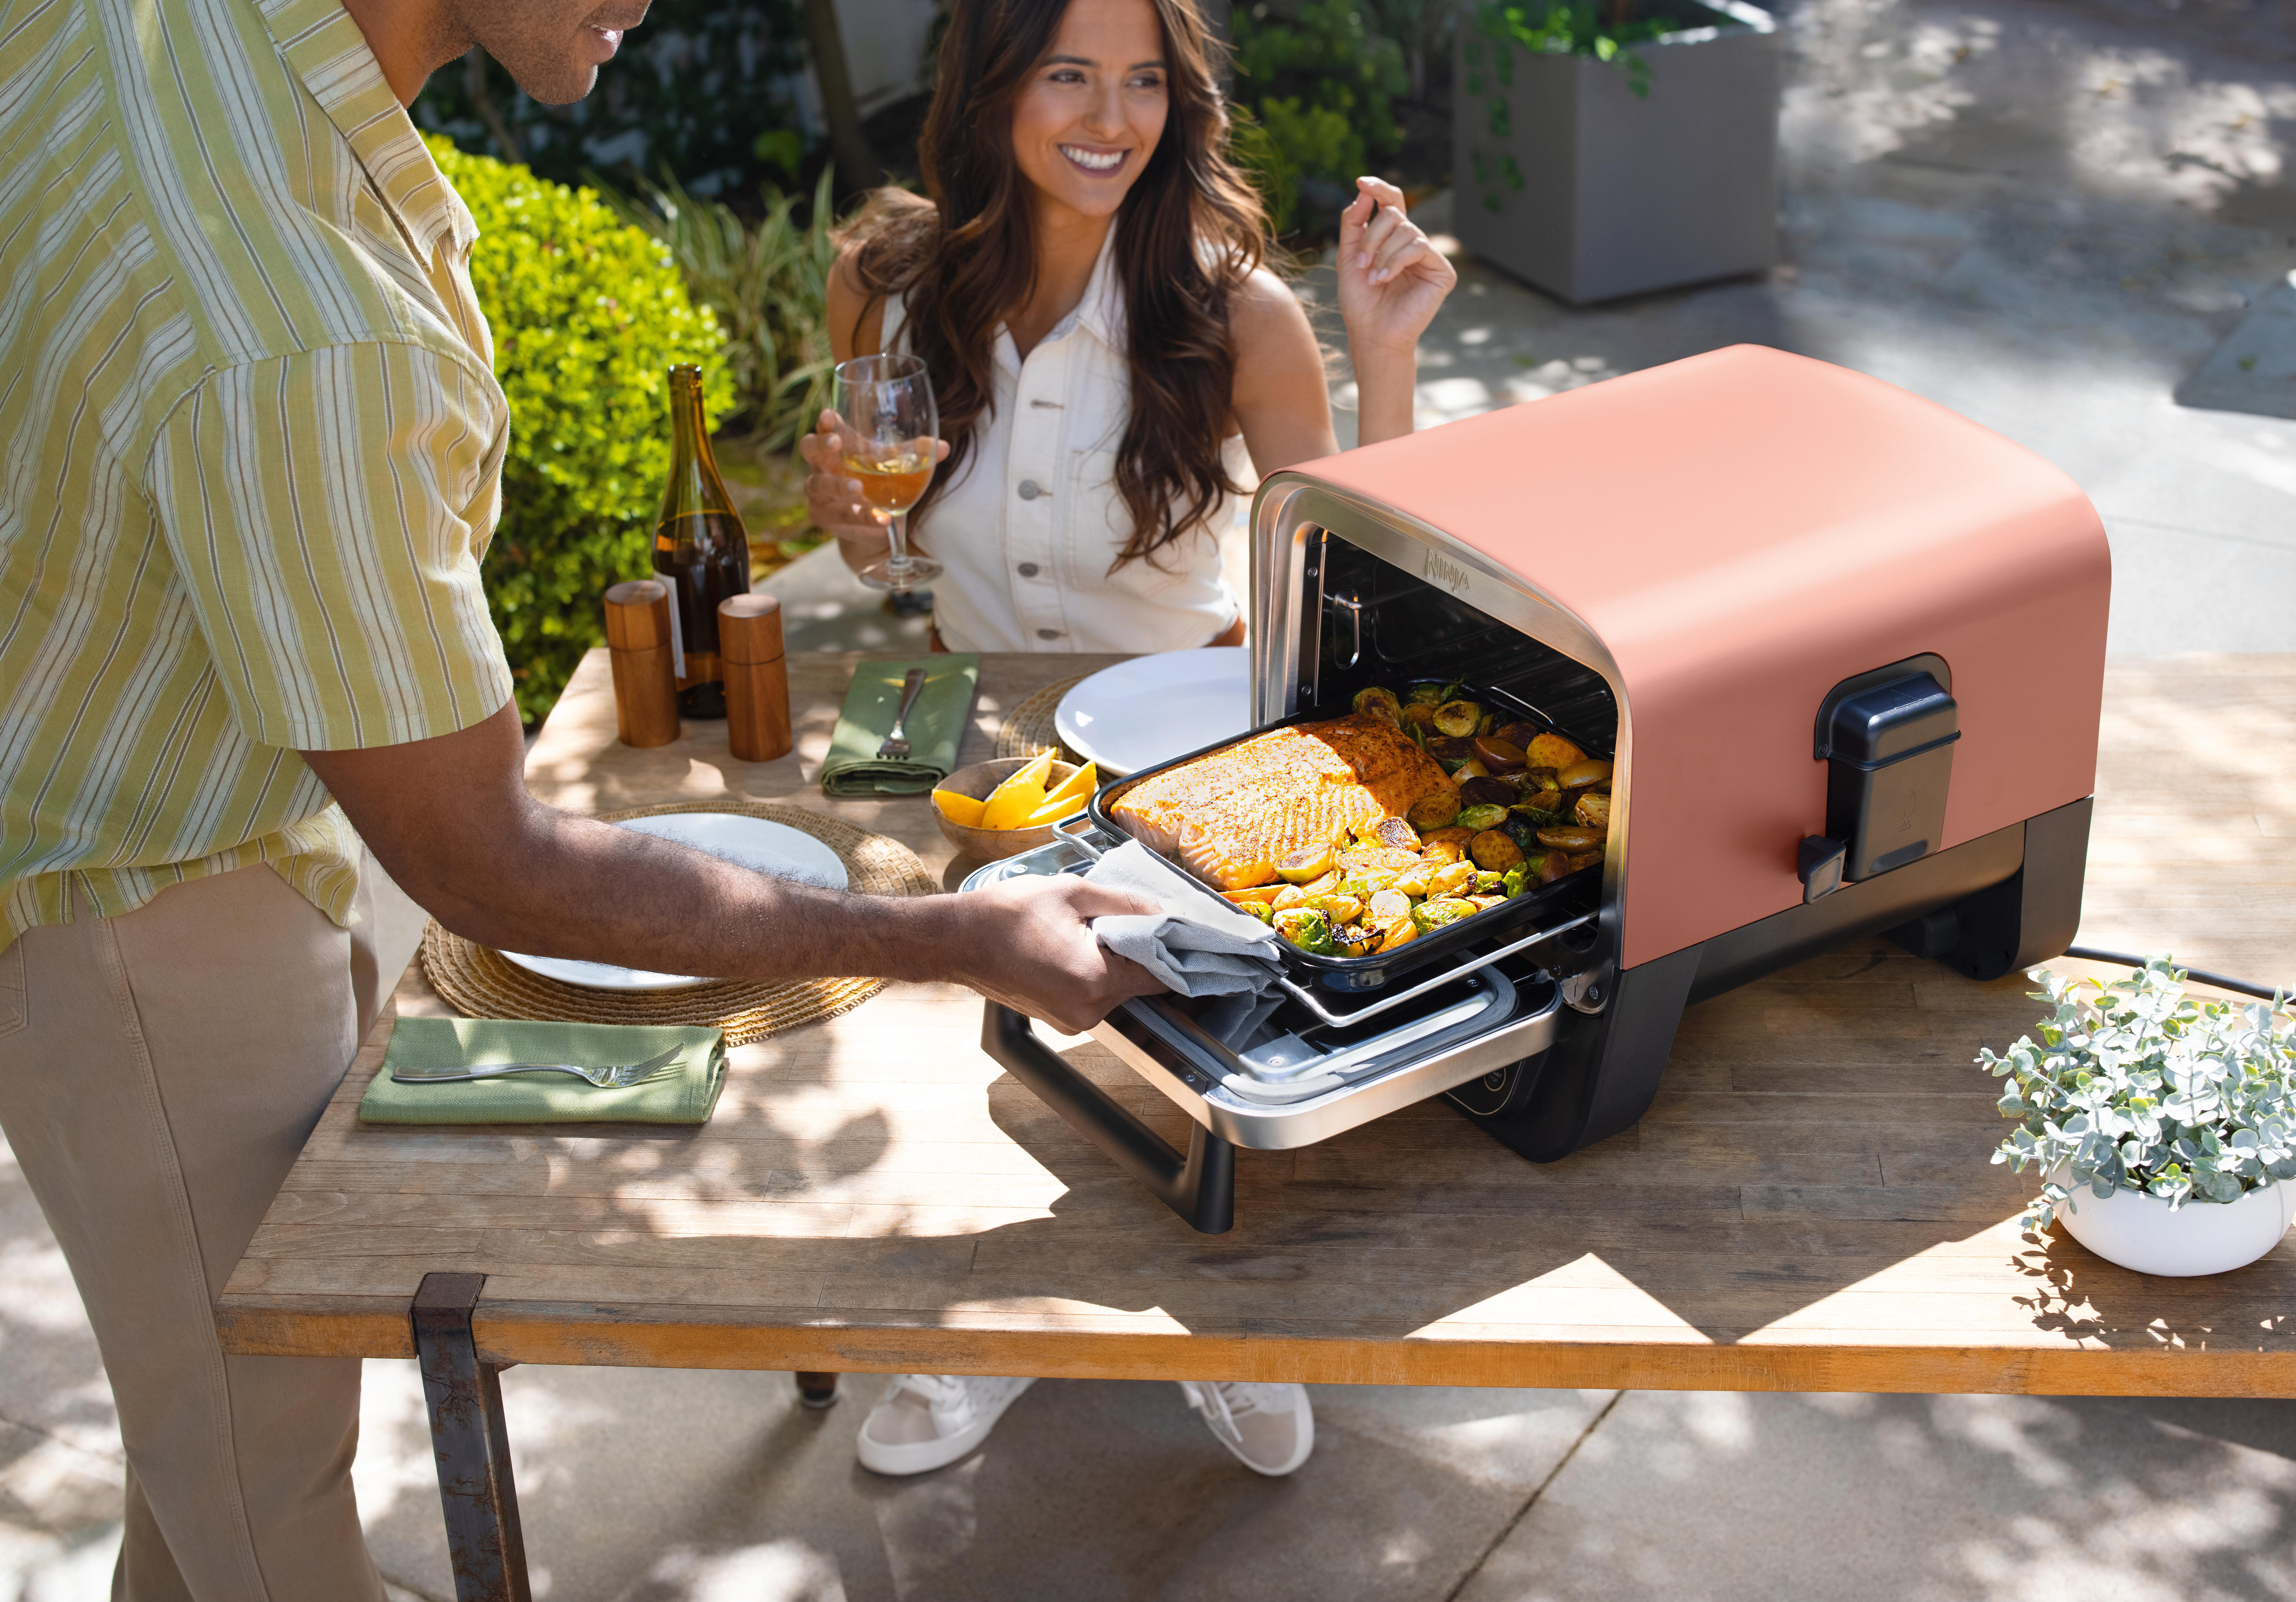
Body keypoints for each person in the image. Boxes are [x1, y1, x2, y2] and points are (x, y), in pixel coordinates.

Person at [0, 0, 1167, 1592]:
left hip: (173, 807)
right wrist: (952, 938)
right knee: (266, 1489)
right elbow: (484, 861)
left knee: (199, 1466)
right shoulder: (317, 332)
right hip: (138, 902)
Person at [795, 0, 1456, 1475]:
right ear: (991, 88)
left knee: (1179, 1047)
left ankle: (1216, 1324)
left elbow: (1364, 593)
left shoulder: (1236, 314)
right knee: (925, 1038)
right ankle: (988, 1326)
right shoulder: (881, 285)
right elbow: (876, 547)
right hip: (972, 742)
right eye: (1070, 75)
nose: (1112, 118)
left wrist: (1383, 360)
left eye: (1145, 81)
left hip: (1186, 751)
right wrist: (850, 519)